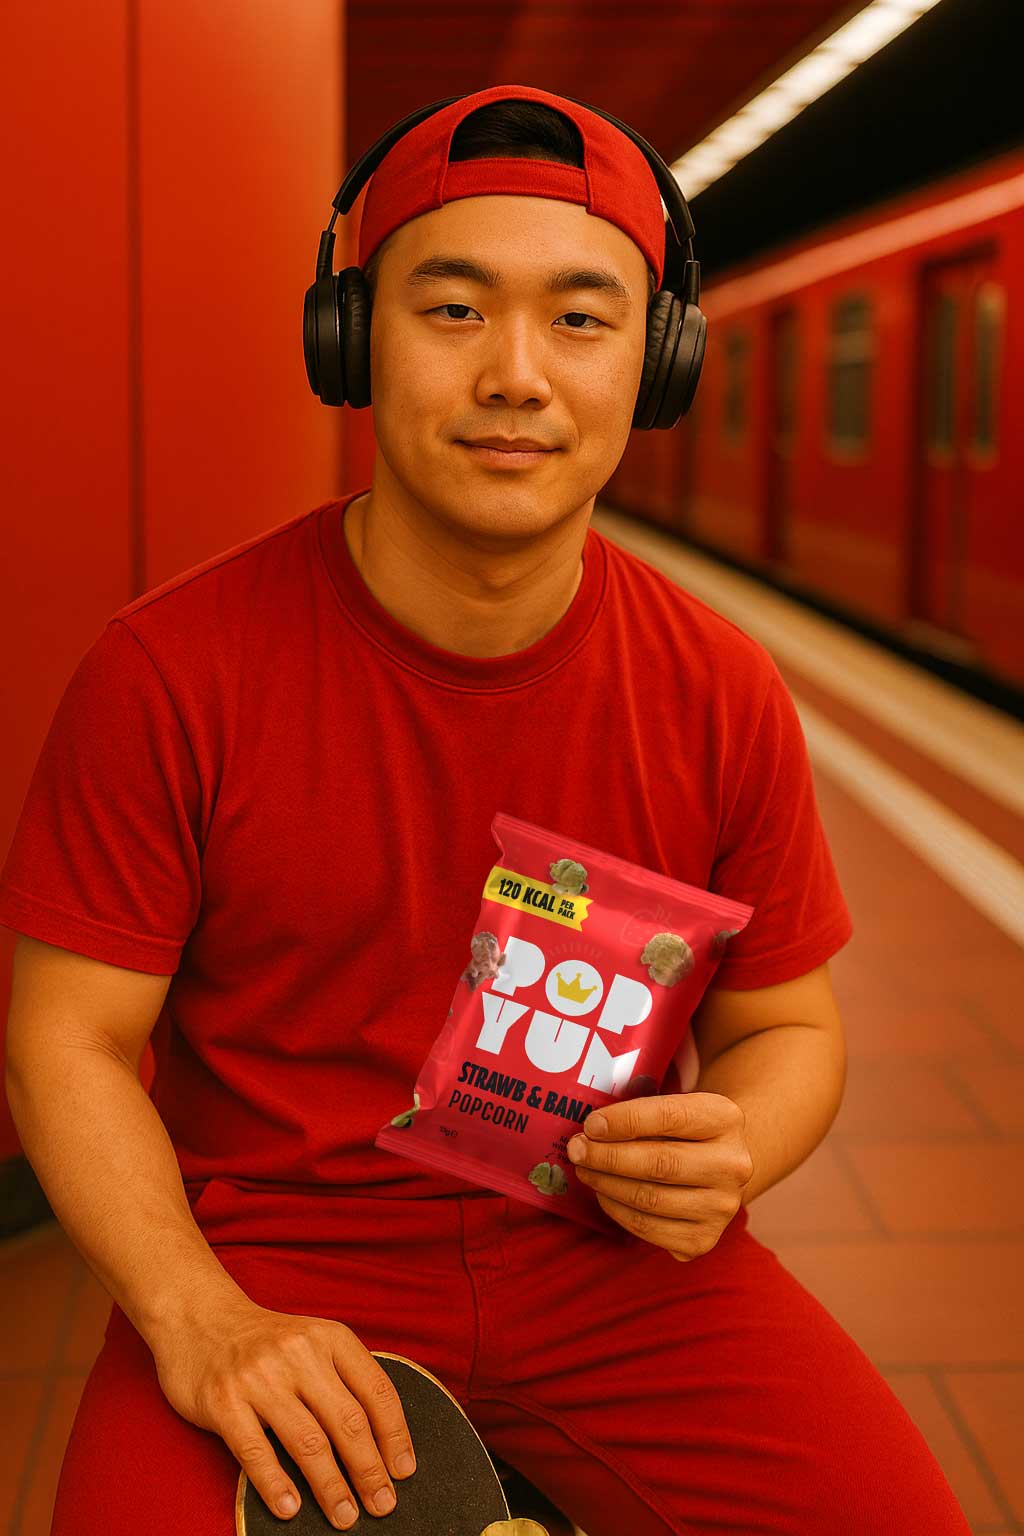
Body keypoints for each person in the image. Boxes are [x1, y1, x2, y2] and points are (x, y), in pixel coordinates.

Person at [0, 83, 970, 1536]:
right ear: (352, 343)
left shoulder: (721, 689)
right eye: (453, 310)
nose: (517, 373)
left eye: (581, 319)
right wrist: (195, 1316)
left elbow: (789, 1028)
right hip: (271, 1261)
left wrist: (740, 1145)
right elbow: (66, 1039)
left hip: (618, 1274)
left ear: (657, 362)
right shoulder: (171, 673)